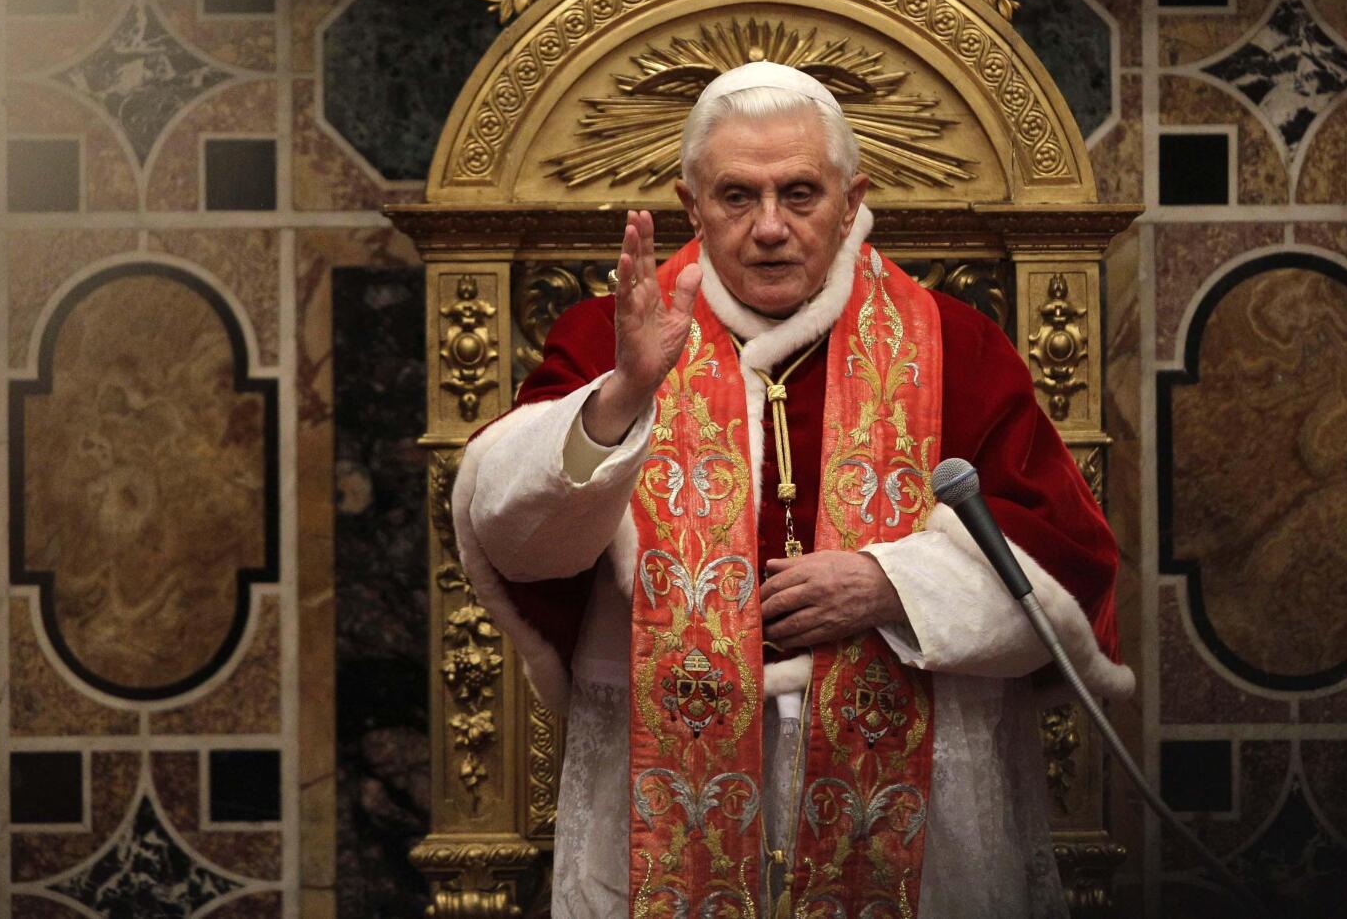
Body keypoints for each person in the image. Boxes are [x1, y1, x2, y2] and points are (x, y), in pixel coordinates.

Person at [451, 61, 1132, 918]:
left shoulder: (957, 345)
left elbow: (1064, 563)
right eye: (737, 196)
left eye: (800, 193)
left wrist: (895, 585)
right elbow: (515, 540)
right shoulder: (605, 337)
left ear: (852, 199)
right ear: (689, 203)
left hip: (916, 802)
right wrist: (622, 394)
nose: (770, 227)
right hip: (662, 783)